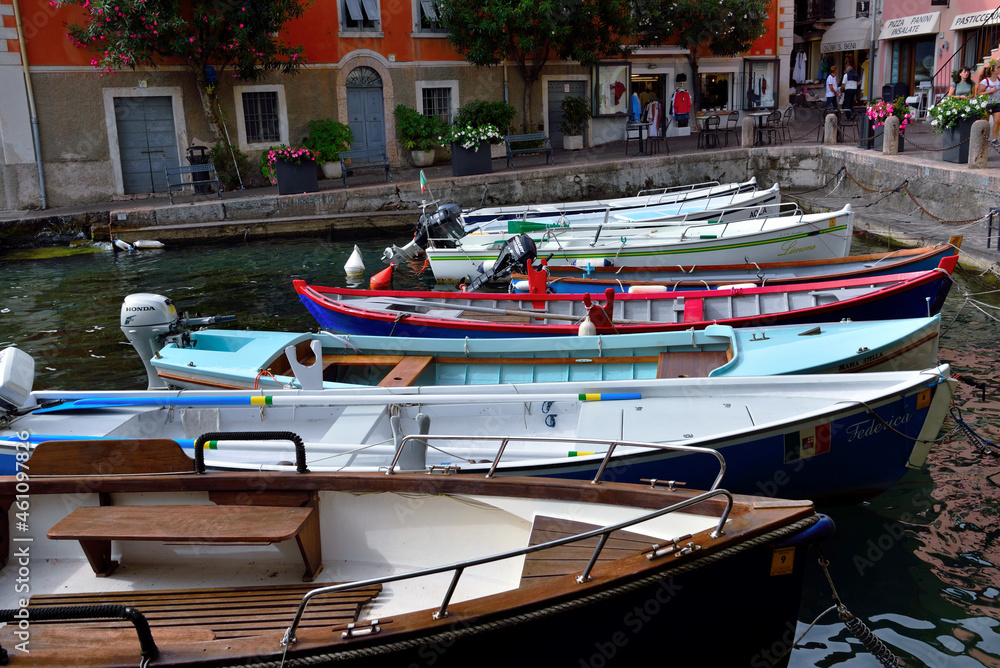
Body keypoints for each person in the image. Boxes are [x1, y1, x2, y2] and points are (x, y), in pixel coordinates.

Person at [978, 65, 1000, 146]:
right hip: (987, 104)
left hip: (997, 103)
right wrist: (990, 91)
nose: (998, 69)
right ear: (992, 71)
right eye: (997, 68)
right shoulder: (985, 81)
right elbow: (979, 93)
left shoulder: (999, 80)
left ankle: (995, 139)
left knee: (997, 122)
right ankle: (983, 138)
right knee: (985, 123)